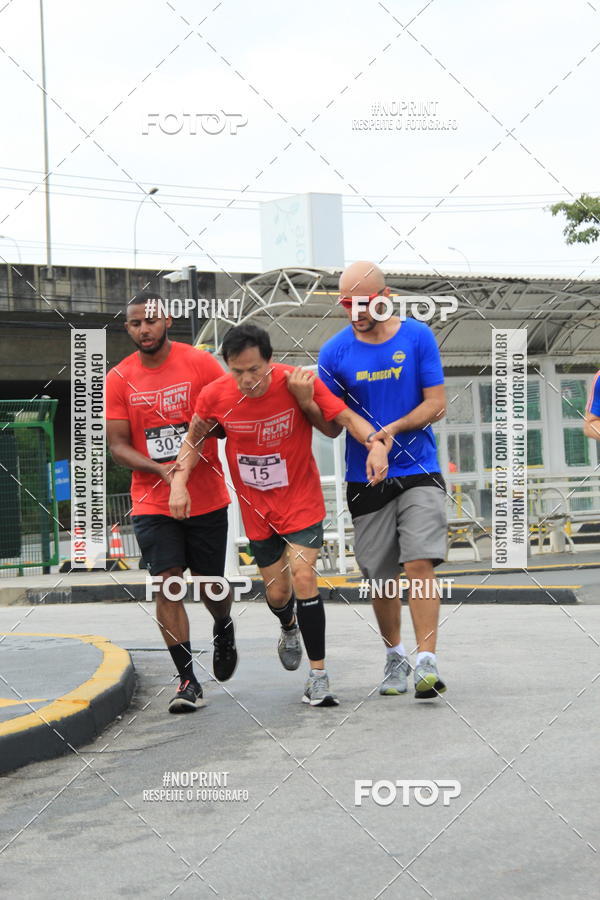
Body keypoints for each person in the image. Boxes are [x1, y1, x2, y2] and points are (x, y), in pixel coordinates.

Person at [169, 323, 389, 707]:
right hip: (257, 509)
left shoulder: (296, 382)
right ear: (227, 366)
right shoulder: (215, 396)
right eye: (237, 371)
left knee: (304, 576)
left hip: (300, 499)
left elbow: (344, 418)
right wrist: (178, 482)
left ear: (270, 363)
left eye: (254, 369)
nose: (247, 379)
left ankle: (318, 677)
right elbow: (193, 438)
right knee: (277, 591)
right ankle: (288, 625)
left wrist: (375, 443)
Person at [317, 261, 449, 700]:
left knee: (419, 562)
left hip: (419, 469)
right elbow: (332, 424)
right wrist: (312, 400)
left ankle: (426, 661)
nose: (354, 311)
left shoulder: (416, 337)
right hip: (366, 477)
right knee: (382, 576)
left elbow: (436, 405)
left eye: (362, 302)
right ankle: (395, 655)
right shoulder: (333, 352)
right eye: (346, 304)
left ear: (384, 295)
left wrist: (389, 433)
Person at [106, 291, 237, 715]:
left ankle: (223, 624)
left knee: (210, 583)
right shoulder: (119, 377)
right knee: (168, 583)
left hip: (205, 496)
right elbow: (118, 445)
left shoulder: (199, 363)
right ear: (127, 329)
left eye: (150, 320)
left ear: (167, 322)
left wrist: (205, 431)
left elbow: (227, 419)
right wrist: (159, 469)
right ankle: (187, 679)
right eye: (134, 323)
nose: (143, 329)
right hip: (151, 499)